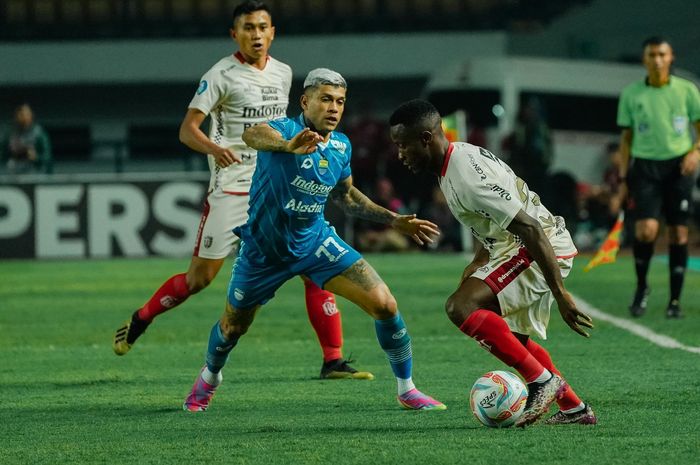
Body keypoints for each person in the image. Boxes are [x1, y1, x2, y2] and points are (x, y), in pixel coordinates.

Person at [113, 1, 373, 381]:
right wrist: (216, 149)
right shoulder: (220, 74)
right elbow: (188, 130)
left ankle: (332, 359)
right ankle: (142, 318)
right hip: (231, 189)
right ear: (234, 33)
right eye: (248, 27)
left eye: (262, 27)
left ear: (272, 32)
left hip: (273, 185)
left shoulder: (283, 73)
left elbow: (281, 127)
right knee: (199, 279)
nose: (256, 34)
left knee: (310, 263)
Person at [182, 69, 446, 412]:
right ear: (305, 101)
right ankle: (209, 378)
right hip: (264, 251)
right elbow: (252, 135)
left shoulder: (340, 145)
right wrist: (287, 146)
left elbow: (346, 197)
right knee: (233, 327)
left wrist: (393, 219)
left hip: (315, 243)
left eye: (339, 101)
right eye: (325, 99)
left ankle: (407, 389)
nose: (334, 108)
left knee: (385, 304)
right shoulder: (282, 130)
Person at [389, 99, 596, 427]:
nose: (400, 155)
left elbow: (528, 226)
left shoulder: (466, 175)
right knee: (514, 340)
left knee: (460, 307)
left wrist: (560, 294)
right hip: (516, 246)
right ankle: (575, 409)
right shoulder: (453, 162)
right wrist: (479, 261)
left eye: (403, 145)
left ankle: (541, 382)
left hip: (539, 246)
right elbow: (495, 223)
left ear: (426, 138)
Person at [616, 36, 700, 319]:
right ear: (644, 59)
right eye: (652, 54)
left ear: (671, 57)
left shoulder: (687, 90)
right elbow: (626, 139)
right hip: (646, 168)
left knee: (678, 232)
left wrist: (695, 152)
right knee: (646, 231)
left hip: (679, 167)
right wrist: (623, 176)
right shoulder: (632, 94)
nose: (657, 59)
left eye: (662, 54)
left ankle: (674, 301)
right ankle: (642, 287)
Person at [0, 103, 52, 174]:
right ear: (16, 116)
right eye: (21, 115)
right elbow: (2, 154)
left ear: (31, 115)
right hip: (13, 170)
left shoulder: (38, 133)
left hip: (34, 170)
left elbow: (47, 157)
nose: (24, 118)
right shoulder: (10, 133)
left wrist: (36, 157)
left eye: (26, 114)